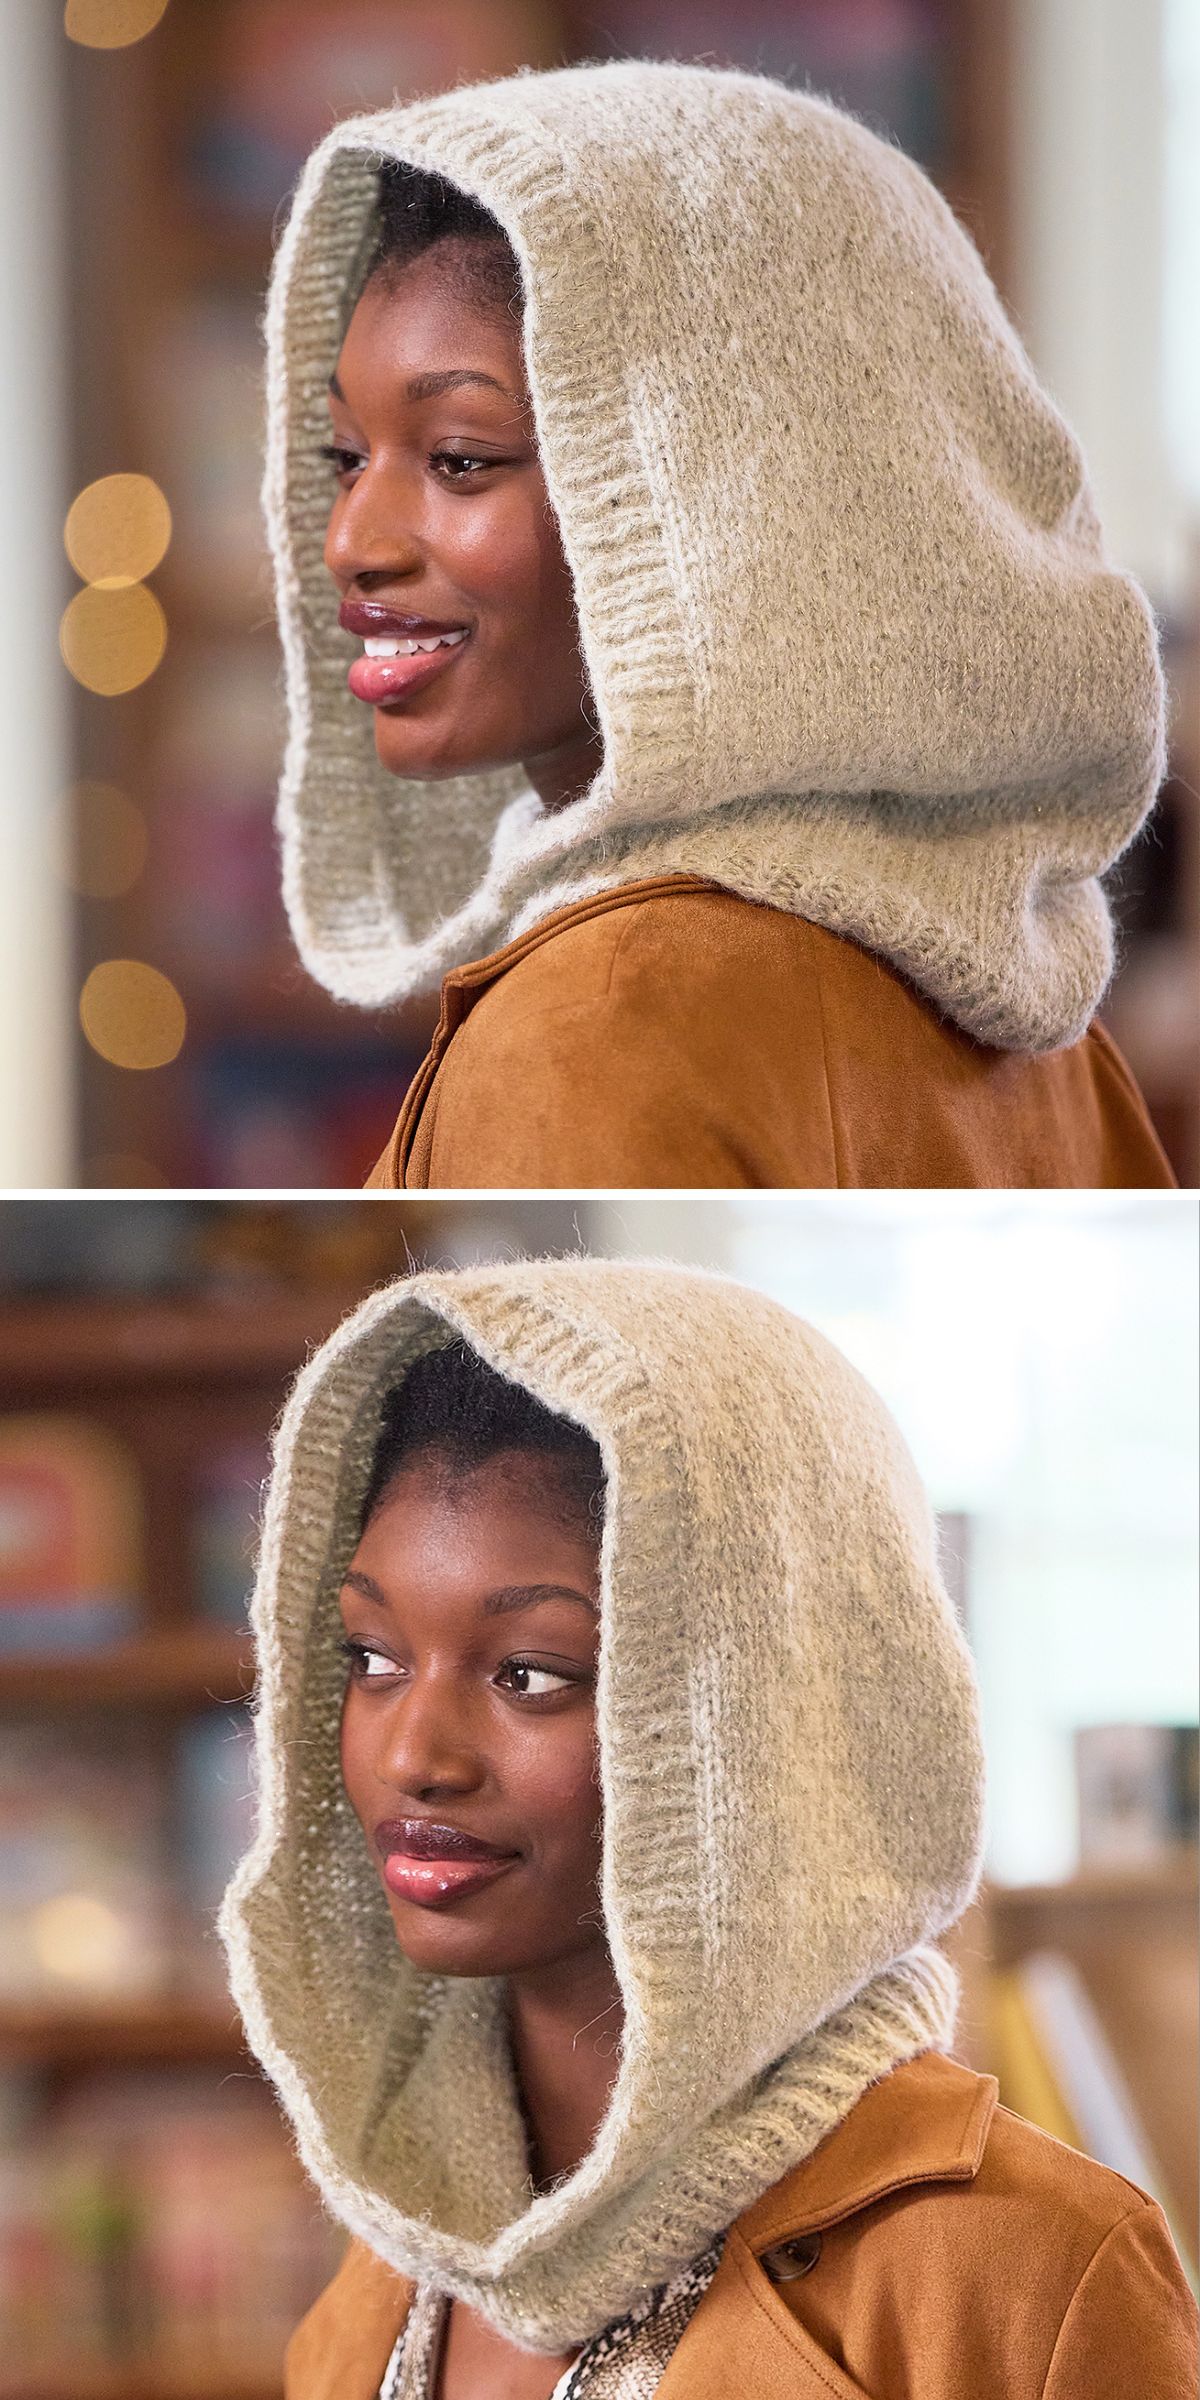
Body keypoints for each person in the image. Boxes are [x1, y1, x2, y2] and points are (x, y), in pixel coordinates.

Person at [218, 1257, 1196, 2398]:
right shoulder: (378, 2296)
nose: (410, 1759)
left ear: (759, 1715)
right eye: (372, 1658)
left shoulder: (1033, 2278)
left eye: (531, 1674)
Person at [258, 58, 1176, 1190]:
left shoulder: (596, 1023)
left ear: (736, 492)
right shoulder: (1037, 1027)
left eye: (459, 458)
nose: (351, 539)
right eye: (345, 457)